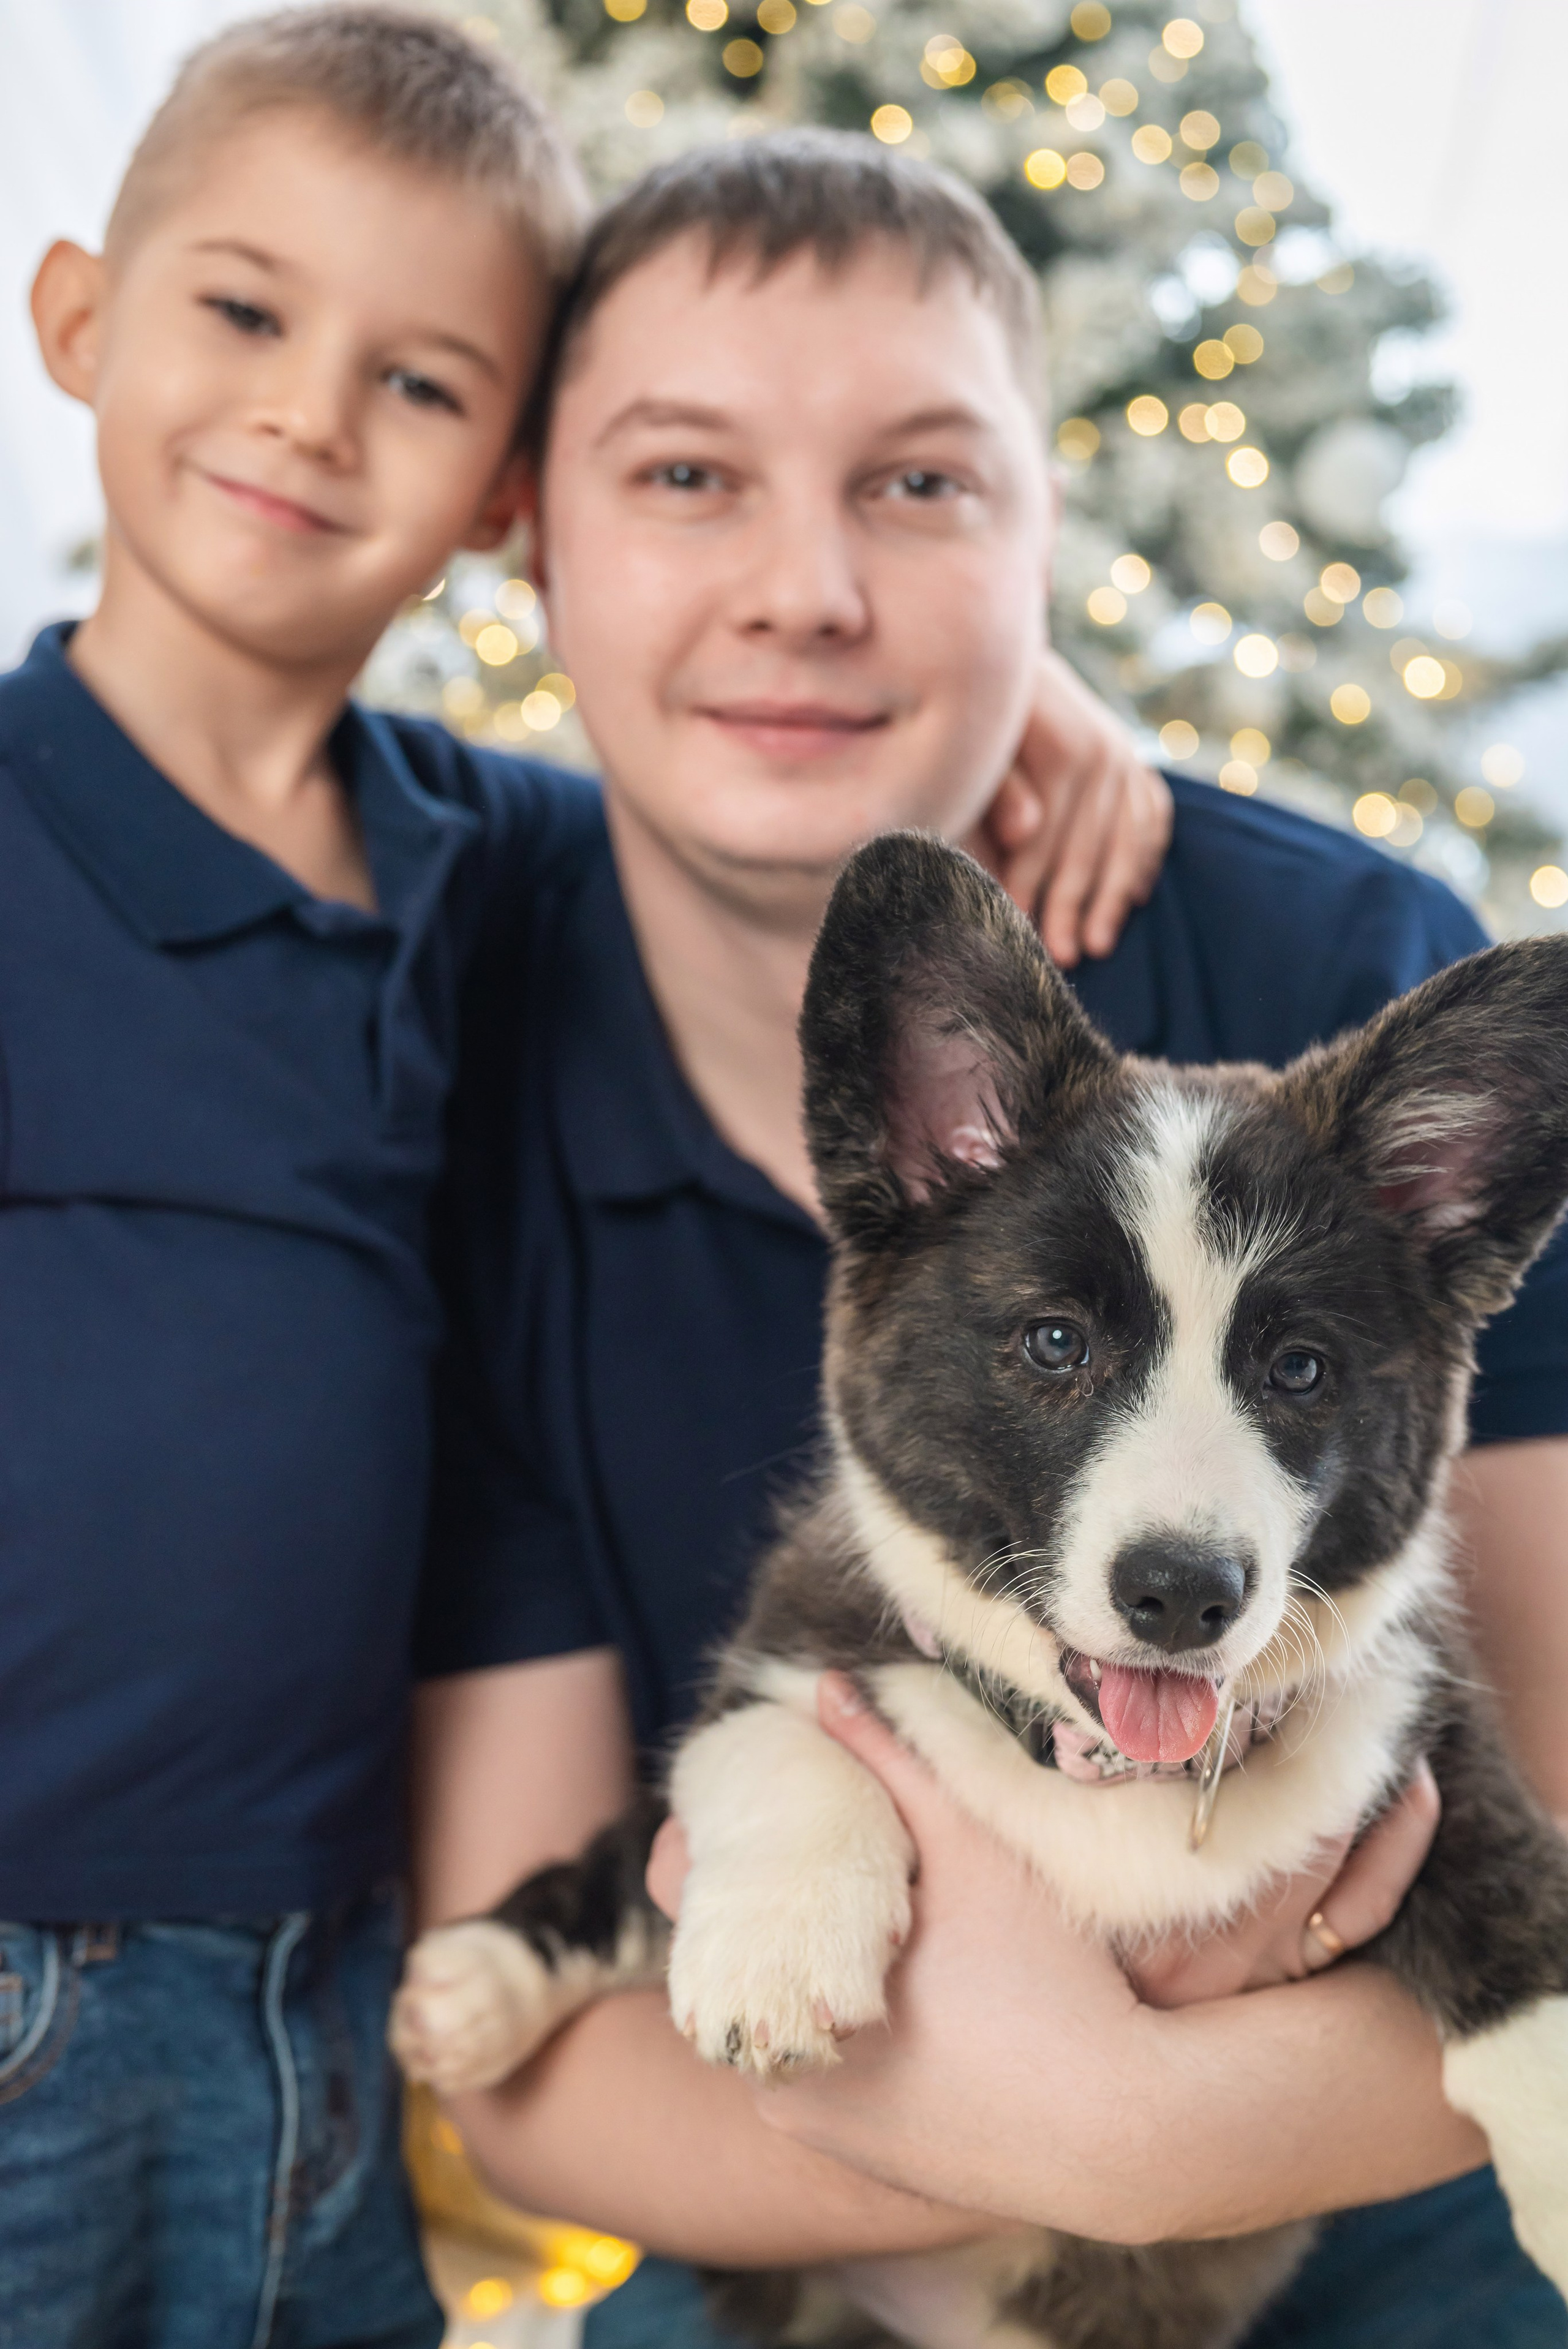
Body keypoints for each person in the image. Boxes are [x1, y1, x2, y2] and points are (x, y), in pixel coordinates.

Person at [1, 21, 1163, 2345]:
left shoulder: (494, 860)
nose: (313, 417)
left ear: (510, 491)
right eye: (243, 314)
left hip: (329, 1994)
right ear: (75, 319)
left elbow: (750, 788)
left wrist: (1031, 697)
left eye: (420, 382)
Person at [406, 134, 1568, 2347]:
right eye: (684, 478)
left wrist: (1141, 2140)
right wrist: (996, 2138)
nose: (807, 590)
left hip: (1374, 2139)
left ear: (1058, 524)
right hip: (771, 2153)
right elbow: (530, 2081)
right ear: (523, 526)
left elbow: (1551, 1856)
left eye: (925, 486)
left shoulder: (1347, 958)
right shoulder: (447, 1043)